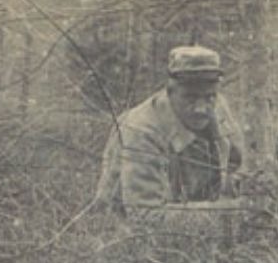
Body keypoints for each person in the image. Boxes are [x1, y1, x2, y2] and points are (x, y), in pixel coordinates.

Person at [93, 45, 250, 218]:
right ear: (170, 91)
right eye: (190, 97)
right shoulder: (142, 131)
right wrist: (229, 213)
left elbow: (237, 165)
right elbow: (145, 215)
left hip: (194, 217)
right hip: (128, 232)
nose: (201, 108)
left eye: (209, 97)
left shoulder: (218, 105)